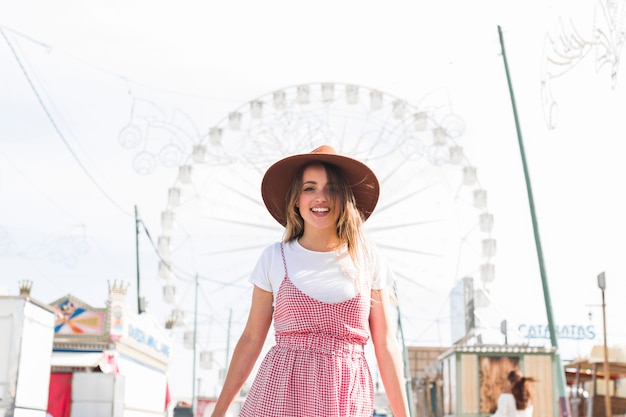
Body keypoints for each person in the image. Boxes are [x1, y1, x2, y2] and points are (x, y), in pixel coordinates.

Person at [210, 145, 410, 417]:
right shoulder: (273, 258)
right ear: (295, 199)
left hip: (345, 396)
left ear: (344, 198)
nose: (321, 197)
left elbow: (386, 345)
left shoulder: (369, 260)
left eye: (332, 189)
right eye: (309, 188)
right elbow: (250, 339)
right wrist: (218, 412)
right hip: (281, 394)